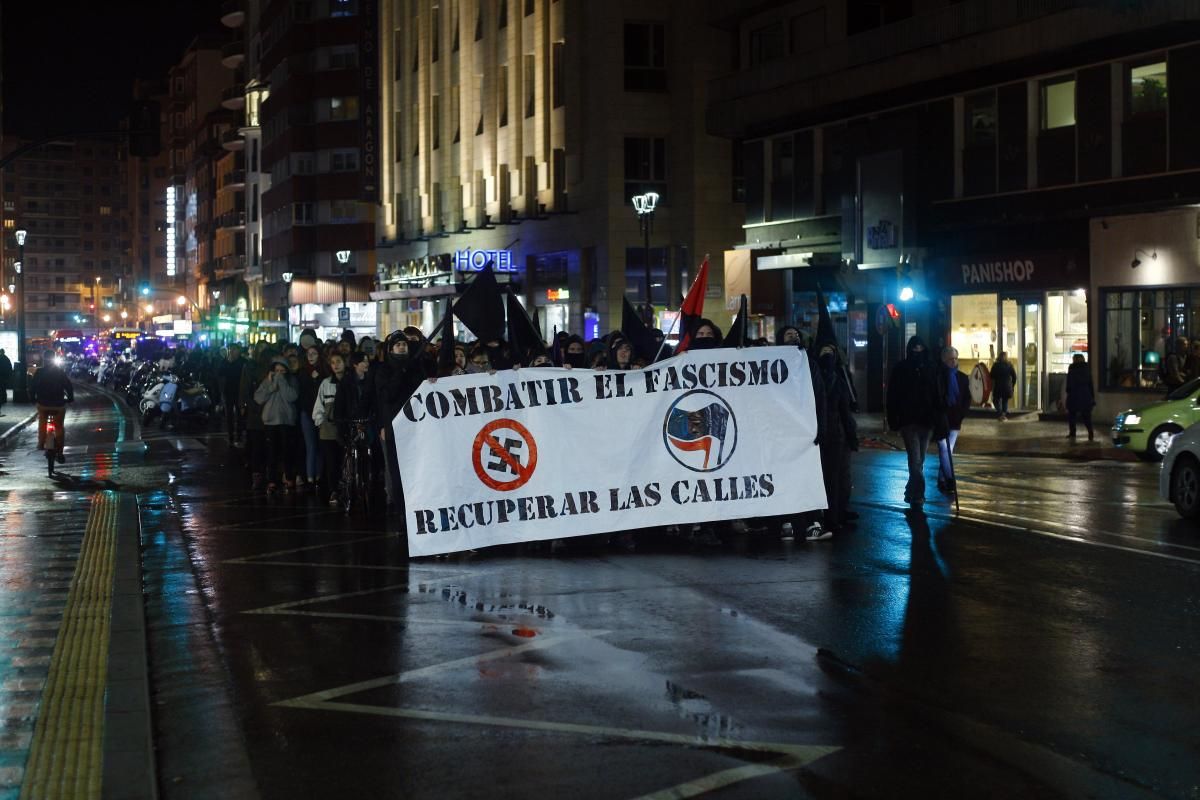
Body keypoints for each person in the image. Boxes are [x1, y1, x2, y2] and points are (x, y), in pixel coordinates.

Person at [887, 336, 944, 510]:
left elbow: (937, 395)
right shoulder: (902, 369)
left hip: (926, 421)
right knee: (915, 459)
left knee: (920, 460)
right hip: (909, 420)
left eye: (920, 348)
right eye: (915, 348)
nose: (917, 351)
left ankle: (911, 490)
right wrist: (894, 419)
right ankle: (918, 495)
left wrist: (939, 416)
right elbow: (893, 395)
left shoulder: (931, 369)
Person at [254, 356, 299, 494]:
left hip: (286, 421)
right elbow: (258, 398)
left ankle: (289, 476)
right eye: (276, 370)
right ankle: (272, 480)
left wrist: (282, 382)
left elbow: (292, 397)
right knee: (271, 452)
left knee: (287, 451)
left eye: (282, 370)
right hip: (270, 421)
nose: (279, 373)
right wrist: (271, 385)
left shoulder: (291, 381)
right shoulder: (268, 381)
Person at [313, 352, 346, 507]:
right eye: (333, 362)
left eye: (338, 361)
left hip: (345, 427)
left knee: (343, 460)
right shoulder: (326, 383)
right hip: (328, 429)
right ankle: (334, 489)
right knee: (331, 461)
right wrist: (320, 422)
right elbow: (319, 406)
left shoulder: (349, 381)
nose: (336, 365)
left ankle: (344, 486)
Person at [937, 346, 971, 493]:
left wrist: (962, 413)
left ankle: (942, 478)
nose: (954, 361)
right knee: (944, 448)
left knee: (947, 451)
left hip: (955, 420)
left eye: (955, 358)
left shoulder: (962, 378)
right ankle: (950, 479)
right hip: (941, 419)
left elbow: (966, 398)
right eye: (951, 359)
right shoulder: (938, 376)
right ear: (944, 360)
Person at [30, 350, 74, 463]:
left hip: (43, 404)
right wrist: (70, 398)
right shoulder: (60, 372)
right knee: (59, 427)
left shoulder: (39, 372)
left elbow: (32, 387)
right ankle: (60, 451)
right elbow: (68, 386)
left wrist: (32, 399)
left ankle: (41, 444)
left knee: (42, 422)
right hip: (58, 405)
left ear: (44, 359)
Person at [220, 344, 247, 445]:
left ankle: (239, 435)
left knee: (240, 414)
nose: (231, 351)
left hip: (240, 391)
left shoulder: (243, 362)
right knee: (229, 415)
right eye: (230, 349)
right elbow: (220, 375)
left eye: (234, 349)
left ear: (239, 351)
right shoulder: (225, 362)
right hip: (228, 392)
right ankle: (231, 435)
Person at [1066, 353, 1096, 441]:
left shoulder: (1072, 369)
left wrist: (1068, 391)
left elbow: (1069, 383)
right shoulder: (1086, 369)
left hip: (1074, 394)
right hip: (1085, 394)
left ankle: (1072, 432)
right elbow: (1090, 384)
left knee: (1072, 415)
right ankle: (1090, 432)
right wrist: (1092, 397)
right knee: (1086, 416)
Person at [989, 351, 1017, 420]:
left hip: (998, 387)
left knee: (995, 400)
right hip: (1007, 387)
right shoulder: (1009, 365)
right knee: (1005, 400)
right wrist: (1012, 385)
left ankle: (1000, 413)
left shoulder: (995, 365)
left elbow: (991, 376)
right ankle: (1004, 414)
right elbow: (1014, 376)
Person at [0, 347, 12, 416]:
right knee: (3, 388)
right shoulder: (6, 358)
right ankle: (4, 399)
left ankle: (2, 399)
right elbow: (9, 367)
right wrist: (9, 376)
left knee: (1, 388)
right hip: (4, 376)